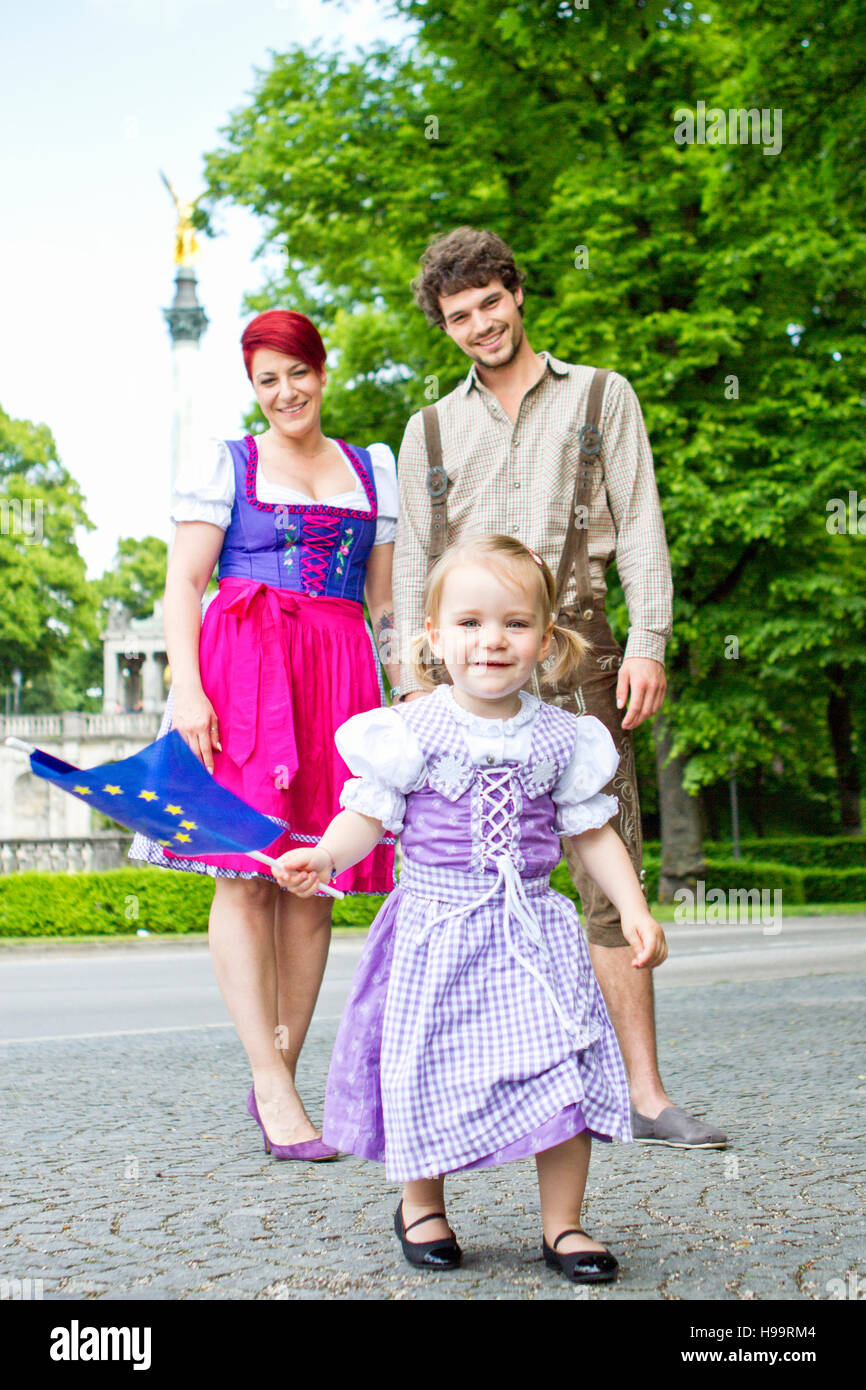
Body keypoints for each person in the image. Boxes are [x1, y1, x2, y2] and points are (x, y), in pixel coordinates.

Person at [391, 226, 726, 1150]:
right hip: (467, 667)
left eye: (490, 304)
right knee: (460, 877)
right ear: (446, 325)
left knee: (608, 864)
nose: (479, 326)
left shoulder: (601, 396)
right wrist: (412, 682)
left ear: (516, 293)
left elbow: (644, 522)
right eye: (459, 317)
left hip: (581, 644)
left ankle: (648, 1094)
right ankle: (470, 1104)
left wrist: (649, 640)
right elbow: (417, 566)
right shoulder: (429, 429)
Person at [273, 536, 668, 1281]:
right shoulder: (410, 731)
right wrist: (325, 856)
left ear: (545, 643)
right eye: (470, 623)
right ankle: (422, 1204)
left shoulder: (562, 737)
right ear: (433, 637)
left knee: (566, 1064)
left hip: (533, 934)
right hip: (436, 930)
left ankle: (564, 1225)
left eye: (515, 624)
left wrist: (635, 908)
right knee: (425, 1067)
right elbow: (367, 816)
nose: (492, 640)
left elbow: (592, 832)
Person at [129, 309, 400, 1160]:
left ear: (323, 372)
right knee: (248, 878)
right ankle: (273, 1083)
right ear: (254, 389)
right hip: (245, 672)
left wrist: (414, 695)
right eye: (266, 380)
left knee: (311, 880)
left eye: (297, 373)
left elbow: (385, 605)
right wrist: (187, 690)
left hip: (339, 676)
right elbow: (184, 581)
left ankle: (281, 1068)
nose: (285, 392)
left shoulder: (371, 468)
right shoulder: (229, 463)